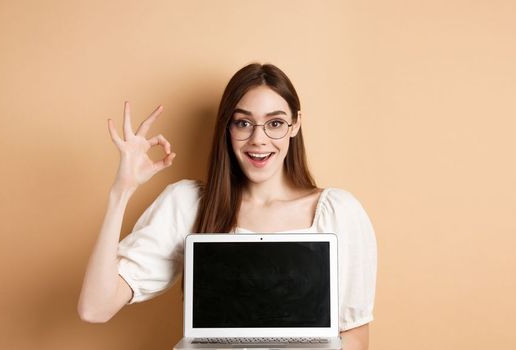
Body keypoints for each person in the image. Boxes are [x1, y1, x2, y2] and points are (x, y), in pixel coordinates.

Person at [77, 63, 377, 349]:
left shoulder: (340, 212)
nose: (258, 139)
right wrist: (122, 191)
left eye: (275, 123)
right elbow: (95, 308)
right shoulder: (188, 204)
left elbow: (354, 338)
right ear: (227, 127)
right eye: (243, 123)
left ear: (295, 125)